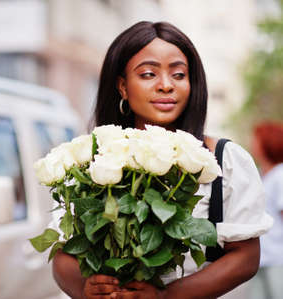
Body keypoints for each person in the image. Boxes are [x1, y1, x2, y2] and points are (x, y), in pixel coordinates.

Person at [52, 21, 273, 299]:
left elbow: (245, 258)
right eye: (148, 74)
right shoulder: (90, 159)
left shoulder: (224, 160)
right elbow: (62, 254)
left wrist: (165, 296)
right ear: (122, 86)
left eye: (179, 75)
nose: (166, 85)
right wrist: (86, 289)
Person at [250, 122, 283, 298]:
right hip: (261, 257)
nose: (252, 144)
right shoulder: (260, 173)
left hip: (279, 259)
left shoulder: (280, 175)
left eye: (256, 140)